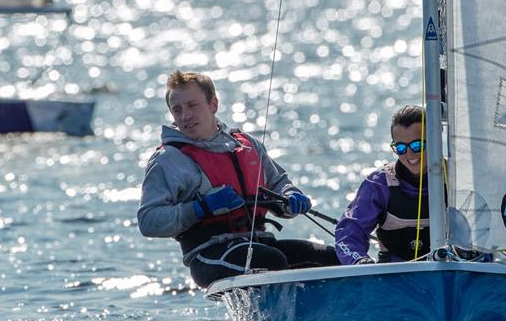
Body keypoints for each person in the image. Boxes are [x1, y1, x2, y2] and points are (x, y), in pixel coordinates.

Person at [137, 70, 339, 288]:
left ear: (213, 105)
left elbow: (279, 182)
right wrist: (201, 207)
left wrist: (291, 196)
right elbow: (148, 221)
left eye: (192, 105)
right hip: (209, 254)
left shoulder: (246, 144)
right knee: (271, 261)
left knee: (336, 257)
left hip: (259, 242)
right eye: (177, 110)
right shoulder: (168, 159)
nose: (185, 116)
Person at [334, 105, 431, 264]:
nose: (410, 154)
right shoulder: (379, 183)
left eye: (417, 145)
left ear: (434, 140)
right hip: (393, 276)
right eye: (400, 148)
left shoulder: (456, 178)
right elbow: (349, 234)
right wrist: (359, 261)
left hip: (446, 274)